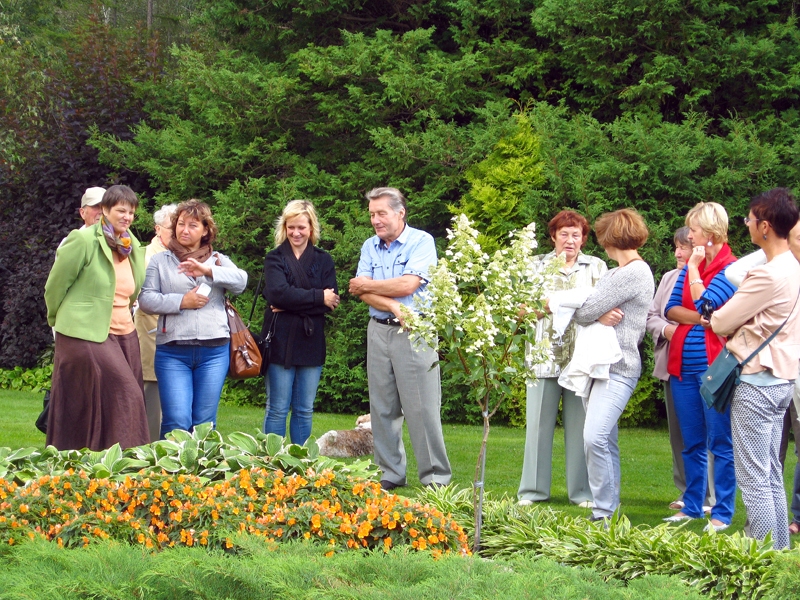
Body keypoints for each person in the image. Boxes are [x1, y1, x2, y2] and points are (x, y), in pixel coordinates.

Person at [710, 188, 800, 549]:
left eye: (748, 219)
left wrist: (736, 320)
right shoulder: (793, 266)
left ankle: (760, 554)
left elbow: (719, 320)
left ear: (764, 226)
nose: (745, 224)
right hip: (781, 379)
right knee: (771, 473)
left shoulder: (768, 274)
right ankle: (778, 552)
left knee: (754, 478)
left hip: (758, 382)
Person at [349, 187, 452, 490]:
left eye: (381, 213)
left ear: (400, 213)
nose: (376, 220)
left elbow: (408, 284)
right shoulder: (370, 245)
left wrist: (374, 288)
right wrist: (393, 303)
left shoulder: (422, 241)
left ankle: (435, 478)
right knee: (382, 407)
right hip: (379, 328)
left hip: (414, 330)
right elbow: (358, 290)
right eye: (372, 215)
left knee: (422, 407)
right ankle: (390, 473)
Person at [44, 185, 149, 450]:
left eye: (131, 212)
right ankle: (130, 467)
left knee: (108, 400)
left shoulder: (131, 245)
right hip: (84, 331)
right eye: (121, 210)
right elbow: (55, 286)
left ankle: (94, 461)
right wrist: (57, 319)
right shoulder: (84, 240)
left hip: (125, 332)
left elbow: (133, 289)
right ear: (104, 210)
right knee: (128, 394)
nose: (127, 217)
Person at [517, 210, 607, 508]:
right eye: (564, 234)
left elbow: (604, 307)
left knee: (582, 428)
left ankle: (581, 493)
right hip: (543, 358)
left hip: (582, 358)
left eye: (576, 234)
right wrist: (549, 305)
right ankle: (532, 491)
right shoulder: (534, 266)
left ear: (584, 238)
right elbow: (519, 311)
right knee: (538, 429)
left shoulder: (596, 266)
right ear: (553, 236)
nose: (570, 240)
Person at [570, 208, 654, 522]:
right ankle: (608, 512)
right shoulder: (617, 272)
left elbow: (583, 310)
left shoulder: (633, 272)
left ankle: (603, 513)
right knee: (606, 440)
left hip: (618, 367)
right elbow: (590, 310)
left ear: (610, 238)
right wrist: (597, 313)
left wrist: (594, 312)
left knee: (595, 437)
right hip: (601, 366)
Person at [139, 199, 247, 437]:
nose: (184, 230)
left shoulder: (217, 259)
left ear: (206, 230)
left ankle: (203, 472)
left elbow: (241, 282)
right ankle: (170, 471)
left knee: (204, 422)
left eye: (193, 225)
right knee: (177, 419)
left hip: (214, 351)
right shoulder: (160, 261)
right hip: (173, 351)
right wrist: (181, 302)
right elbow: (146, 300)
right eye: (180, 224)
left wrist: (208, 271)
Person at [664, 202, 737, 532]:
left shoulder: (731, 269)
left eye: (692, 230)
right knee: (691, 442)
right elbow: (671, 309)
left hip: (714, 368)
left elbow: (710, 303)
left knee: (720, 443)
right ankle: (692, 506)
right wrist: (704, 320)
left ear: (708, 233)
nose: (688, 236)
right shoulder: (689, 268)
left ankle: (722, 512)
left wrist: (693, 272)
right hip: (682, 366)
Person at [646, 227, 715, 513]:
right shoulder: (669, 278)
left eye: (684, 247)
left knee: (712, 432)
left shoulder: (713, 279)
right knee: (680, 434)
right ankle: (688, 492)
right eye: (676, 247)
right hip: (673, 366)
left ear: (699, 248)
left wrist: (688, 326)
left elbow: (713, 317)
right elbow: (651, 316)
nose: (677, 253)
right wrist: (667, 329)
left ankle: (711, 497)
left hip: (708, 366)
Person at [262, 200, 339, 445]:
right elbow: (276, 294)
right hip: (279, 340)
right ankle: (271, 462)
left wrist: (289, 302)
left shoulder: (323, 259)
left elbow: (333, 300)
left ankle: (301, 463)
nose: (296, 233)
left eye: (301, 228)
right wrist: (317, 296)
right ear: (284, 227)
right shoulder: (274, 258)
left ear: (311, 228)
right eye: (291, 227)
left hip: (311, 340)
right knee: (277, 408)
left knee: (304, 409)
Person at [133, 203, 177, 442]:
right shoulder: (144, 256)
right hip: (152, 338)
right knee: (153, 402)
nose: (179, 233)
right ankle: (149, 454)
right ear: (158, 229)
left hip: (182, 341)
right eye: (172, 228)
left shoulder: (184, 255)